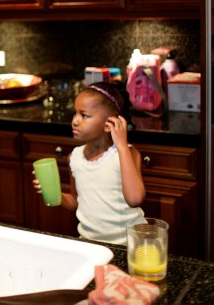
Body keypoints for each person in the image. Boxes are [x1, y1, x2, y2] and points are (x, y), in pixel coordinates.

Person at [33, 82, 146, 245]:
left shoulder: (126, 153)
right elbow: (75, 202)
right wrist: (52, 192)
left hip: (128, 245)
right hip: (91, 243)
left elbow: (135, 199)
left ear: (110, 123)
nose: (75, 121)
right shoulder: (74, 157)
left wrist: (121, 146)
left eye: (84, 115)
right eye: (75, 113)